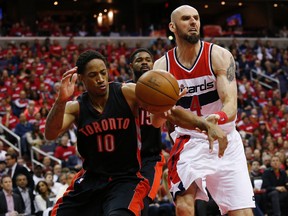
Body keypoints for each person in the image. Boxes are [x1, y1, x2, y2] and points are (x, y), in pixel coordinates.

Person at [44, 50, 227, 216]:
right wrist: (61, 100)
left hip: (125, 178)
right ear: (81, 79)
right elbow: (50, 134)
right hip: (92, 179)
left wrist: (204, 124)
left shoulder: (127, 93)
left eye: (103, 73)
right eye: (93, 75)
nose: (100, 79)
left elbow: (168, 111)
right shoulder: (75, 107)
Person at [152, 5, 255, 216]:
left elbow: (231, 104)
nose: (193, 22)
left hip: (225, 139)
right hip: (189, 140)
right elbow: (156, 121)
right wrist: (163, 105)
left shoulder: (219, 56)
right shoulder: (162, 67)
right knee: (183, 205)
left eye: (196, 18)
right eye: (186, 19)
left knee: (242, 213)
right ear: (172, 26)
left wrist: (217, 118)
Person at [129, 48, 165, 215]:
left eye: (148, 59)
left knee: (141, 204)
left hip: (150, 158)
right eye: (139, 60)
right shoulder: (124, 92)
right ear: (131, 66)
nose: (144, 62)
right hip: (126, 160)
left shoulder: (162, 91)